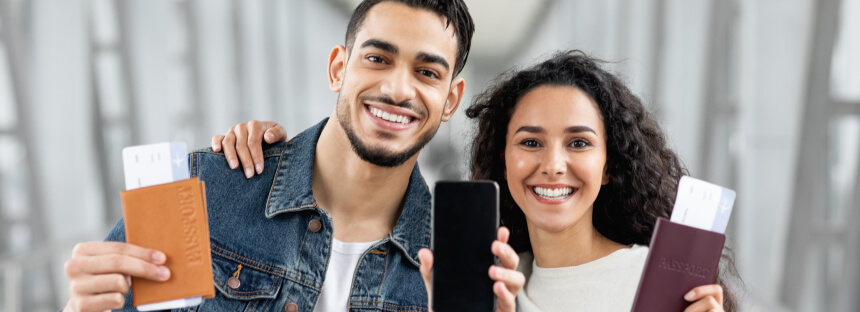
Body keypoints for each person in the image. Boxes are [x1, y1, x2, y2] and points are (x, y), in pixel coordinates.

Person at [61, 1, 524, 311]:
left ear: (449, 100)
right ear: (338, 68)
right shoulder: (205, 187)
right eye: (378, 59)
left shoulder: (458, 268)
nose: (397, 89)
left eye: (426, 72)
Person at [225, 51, 741, 311]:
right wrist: (272, 153)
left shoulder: (657, 286)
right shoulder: (481, 278)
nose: (553, 165)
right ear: (502, 162)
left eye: (579, 143)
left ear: (610, 167)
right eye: (530, 142)